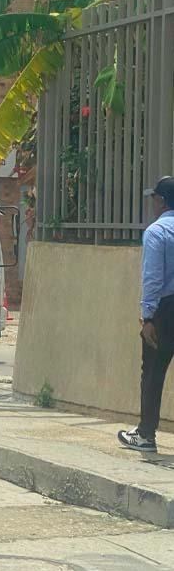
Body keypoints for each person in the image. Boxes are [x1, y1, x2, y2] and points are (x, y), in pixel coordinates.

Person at [121, 176, 174, 452]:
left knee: (152, 371)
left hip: (165, 309)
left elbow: (153, 278)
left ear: (161, 201)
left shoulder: (157, 232)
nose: (152, 203)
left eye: (154, 198)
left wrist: (148, 317)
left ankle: (146, 435)